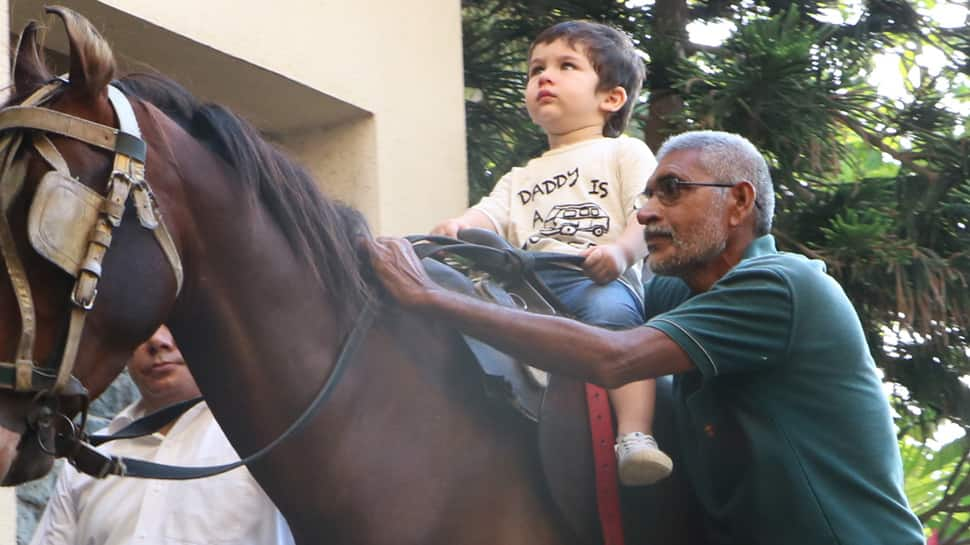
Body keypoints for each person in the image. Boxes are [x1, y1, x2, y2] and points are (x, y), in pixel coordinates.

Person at [368, 130, 926, 544]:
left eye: (672, 190)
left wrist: (431, 299)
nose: (647, 211)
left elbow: (614, 356)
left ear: (738, 201)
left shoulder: (783, 286)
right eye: (645, 197)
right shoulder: (681, 297)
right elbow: (569, 313)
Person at [431, 20, 671, 486]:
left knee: (620, 330)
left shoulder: (624, 153)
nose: (544, 76)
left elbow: (646, 216)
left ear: (611, 98)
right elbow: (489, 214)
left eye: (566, 66)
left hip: (593, 276)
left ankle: (636, 435)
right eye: (536, 68)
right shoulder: (518, 176)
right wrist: (457, 227)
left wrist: (621, 254)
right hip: (525, 283)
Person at [30, 325, 294, 545]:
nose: (157, 341)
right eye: (144, 328)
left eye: (175, 325)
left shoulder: (268, 438)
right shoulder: (89, 458)